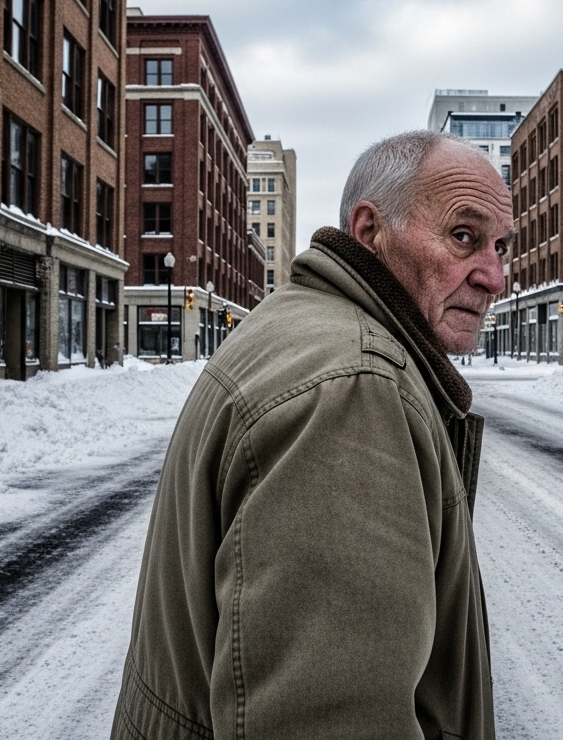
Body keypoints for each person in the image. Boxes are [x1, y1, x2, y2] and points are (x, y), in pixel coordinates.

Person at [111, 130, 511, 740]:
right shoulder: (352, 392)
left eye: (500, 246)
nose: (495, 276)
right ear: (370, 231)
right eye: (463, 237)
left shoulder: (297, 322)